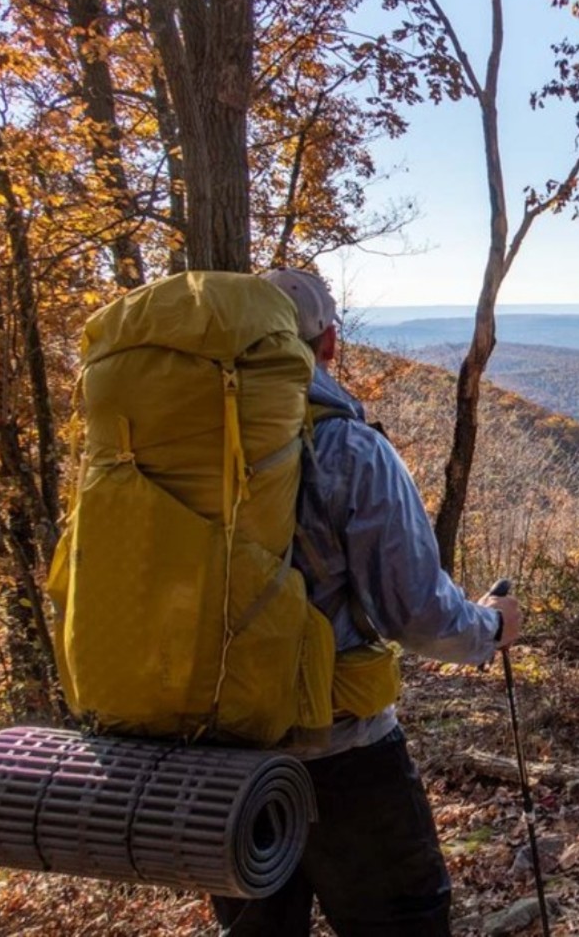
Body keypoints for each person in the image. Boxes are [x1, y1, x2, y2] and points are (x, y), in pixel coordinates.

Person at [211, 268, 522, 936]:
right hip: (341, 754)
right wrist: (490, 628)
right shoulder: (345, 448)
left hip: (214, 760)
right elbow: (416, 614)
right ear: (327, 343)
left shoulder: (176, 452)